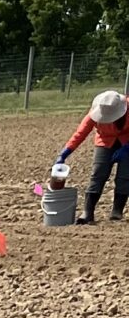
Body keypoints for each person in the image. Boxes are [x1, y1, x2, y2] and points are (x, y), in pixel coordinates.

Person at [57, 88, 129, 225]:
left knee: (125, 176)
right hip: (104, 141)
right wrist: (64, 154)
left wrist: (126, 148)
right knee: (98, 174)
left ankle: (117, 211)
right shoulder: (94, 114)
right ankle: (88, 212)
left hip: (127, 142)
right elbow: (80, 134)